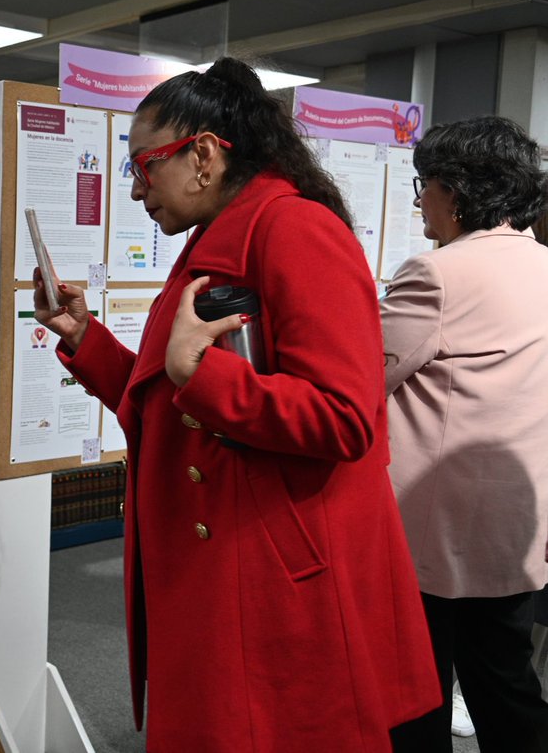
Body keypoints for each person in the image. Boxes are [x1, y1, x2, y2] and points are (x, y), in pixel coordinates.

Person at [33, 57, 438, 750]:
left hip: (263, 566)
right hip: (223, 550)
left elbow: (343, 417)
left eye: (142, 166)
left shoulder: (293, 230)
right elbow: (171, 402)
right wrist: (87, 340)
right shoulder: (218, 236)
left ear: (203, 155)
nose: (135, 190)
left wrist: (204, 379)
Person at [384, 116, 548, 753]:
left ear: (454, 190)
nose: (420, 197)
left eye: (423, 183)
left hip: (433, 528)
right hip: (515, 521)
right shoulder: (542, 264)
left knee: (417, 689)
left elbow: (360, 380)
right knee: (505, 681)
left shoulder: (437, 274)